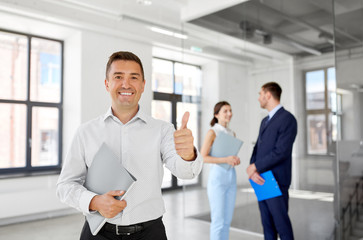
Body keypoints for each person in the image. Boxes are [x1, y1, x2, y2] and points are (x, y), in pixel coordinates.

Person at [56, 51, 203, 240]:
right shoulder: (85, 132)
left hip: (150, 233)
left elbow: (186, 172)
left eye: (134, 77)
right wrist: (94, 201)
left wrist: (188, 155)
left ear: (143, 85)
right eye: (118, 77)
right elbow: (65, 185)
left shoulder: (163, 130)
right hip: (98, 233)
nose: (126, 84)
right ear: (107, 83)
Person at [246, 82, 297, 240]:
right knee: (267, 226)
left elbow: (281, 152)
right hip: (262, 179)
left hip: (276, 180)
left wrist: (255, 166)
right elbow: (258, 148)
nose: (259, 98)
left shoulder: (288, 119)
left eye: (260, 94)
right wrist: (252, 168)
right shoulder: (264, 121)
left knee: (282, 226)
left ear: (268, 95)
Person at [200, 101, 241, 240]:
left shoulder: (232, 133)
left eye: (230, 111)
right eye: (225, 111)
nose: (229, 114)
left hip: (231, 177)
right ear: (216, 114)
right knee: (218, 221)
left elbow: (229, 156)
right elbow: (203, 157)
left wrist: (234, 159)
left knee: (227, 221)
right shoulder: (212, 132)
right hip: (217, 179)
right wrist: (225, 160)